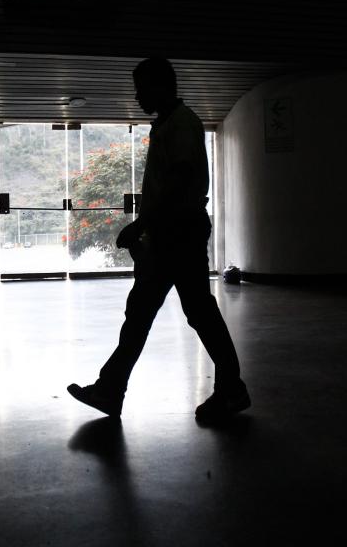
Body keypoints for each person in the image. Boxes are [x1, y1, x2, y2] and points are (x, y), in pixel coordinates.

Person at [67, 58, 251, 424]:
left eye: (141, 88)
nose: (136, 96)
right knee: (175, 313)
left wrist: (141, 225)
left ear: (161, 85)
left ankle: (113, 390)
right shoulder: (171, 123)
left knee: (176, 313)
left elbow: (180, 180)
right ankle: (114, 388)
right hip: (173, 232)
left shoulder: (181, 124)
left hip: (176, 233)